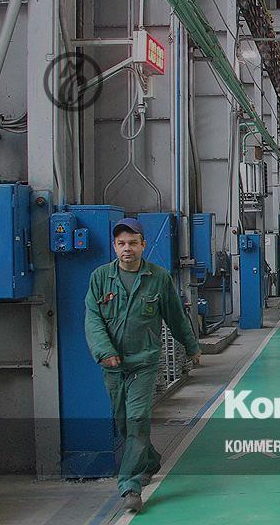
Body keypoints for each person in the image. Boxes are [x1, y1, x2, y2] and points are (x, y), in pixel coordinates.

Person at [84, 218, 202, 513]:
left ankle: (130, 486)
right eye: (122, 244)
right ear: (114, 247)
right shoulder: (100, 277)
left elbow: (175, 316)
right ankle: (149, 460)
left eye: (133, 243)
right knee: (124, 422)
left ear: (143, 245)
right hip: (112, 365)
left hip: (144, 363)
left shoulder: (158, 277)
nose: (127, 249)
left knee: (137, 420)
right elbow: (92, 318)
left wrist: (191, 347)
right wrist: (105, 351)